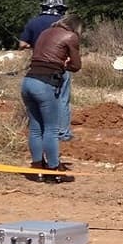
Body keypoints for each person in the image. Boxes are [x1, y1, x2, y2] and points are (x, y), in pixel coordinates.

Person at [20, 14, 83, 183]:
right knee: (51, 129)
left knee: (35, 128)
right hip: (45, 84)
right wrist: (65, 64)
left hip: (28, 81)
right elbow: (76, 66)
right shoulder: (71, 36)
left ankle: (37, 168)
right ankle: (54, 170)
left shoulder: (45, 32)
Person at [19, 0, 74, 141]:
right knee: (62, 99)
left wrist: (35, 46)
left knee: (40, 101)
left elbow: (22, 45)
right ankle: (63, 133)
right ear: (60, 9)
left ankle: (42, 131)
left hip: (38, 67)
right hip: (60, 66)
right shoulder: (64, 25)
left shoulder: (33, 22)